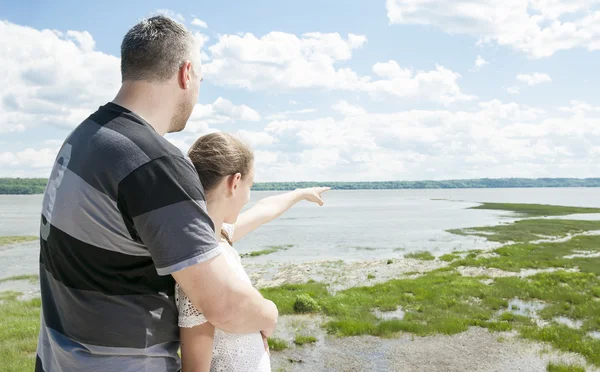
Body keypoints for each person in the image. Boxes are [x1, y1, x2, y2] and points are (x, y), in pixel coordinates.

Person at [35, 16, 277, 372]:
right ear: (186, 73)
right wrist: (268, 313)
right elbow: (222, 305)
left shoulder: (82, 138)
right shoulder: (154, 163)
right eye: (200, 80)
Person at [175, 132, 330, 372]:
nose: (249, 196)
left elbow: (264, 209)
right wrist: (268, 315)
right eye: (251, 185)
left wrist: (301, 193)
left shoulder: (221, 236)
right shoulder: (201, 266)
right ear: (234, 183)